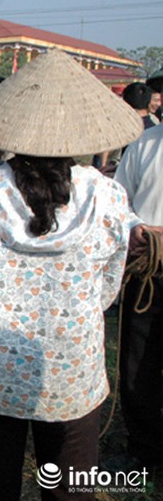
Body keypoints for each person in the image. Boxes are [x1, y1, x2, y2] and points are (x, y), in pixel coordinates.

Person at [0, 49, 143, 501]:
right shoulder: (108, 196)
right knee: (69, 497)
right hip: (71, 376)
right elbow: (107, 290)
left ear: (10, 127)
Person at [105, 122, 163, 473]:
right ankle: (143, 447)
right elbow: (119, 199)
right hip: (148, 269)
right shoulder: (145, 142)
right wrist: (134, 227)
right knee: (138, 362)